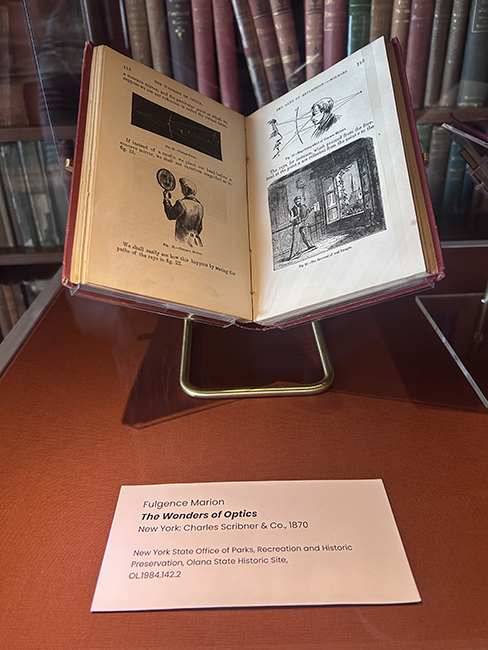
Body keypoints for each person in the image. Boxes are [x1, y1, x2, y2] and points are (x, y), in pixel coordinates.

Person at [163, 177, 203, 247]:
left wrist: (166, 200)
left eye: (182, 189)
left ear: (186, 190)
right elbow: (200, 228)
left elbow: (170, 215)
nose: (181, 191)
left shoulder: (181, 203)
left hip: (182, 240)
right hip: (196, 242)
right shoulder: (200, 206)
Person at [288, 196, 315, 260]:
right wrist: (296, 217)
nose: (299, 202)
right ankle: (293, 254)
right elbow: (290, 220)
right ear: (295, 202)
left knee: (305, 235)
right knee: (295, 239)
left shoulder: (303, 206)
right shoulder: (292, 210)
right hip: (296, 225)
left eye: (299, 201)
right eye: (297, 201)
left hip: (302, 223)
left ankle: (309, 246)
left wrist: (311, 209)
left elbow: (306, 212)